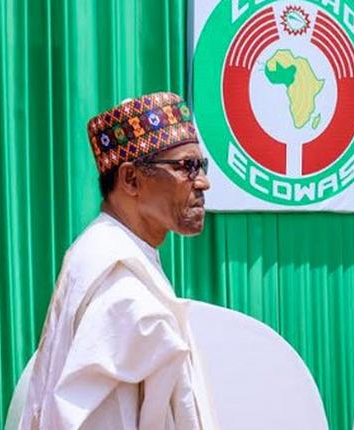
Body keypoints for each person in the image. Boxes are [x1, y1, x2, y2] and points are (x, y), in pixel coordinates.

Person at [19, 92, 217, 430]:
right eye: (186, 166)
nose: (202, 182)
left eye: (201, 166)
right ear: (131, 180)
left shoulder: (117, 252)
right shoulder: (118, 281)